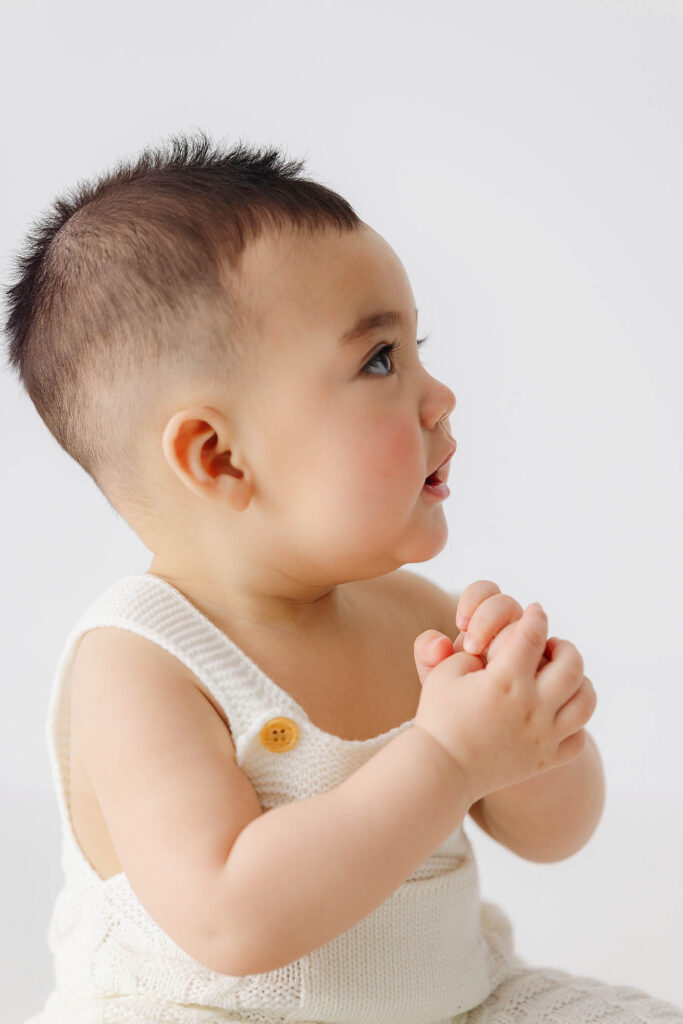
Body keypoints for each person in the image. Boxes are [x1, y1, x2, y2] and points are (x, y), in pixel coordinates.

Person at [5, 129, 681, 1024]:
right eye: (378, 361)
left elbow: (556, 836)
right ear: (218, 456)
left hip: (453, 1003)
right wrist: (443, 757)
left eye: (415, 348)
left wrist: (528, 730)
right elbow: (232, 919)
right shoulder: (141, 664)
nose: (438, 396)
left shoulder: (415, 618)